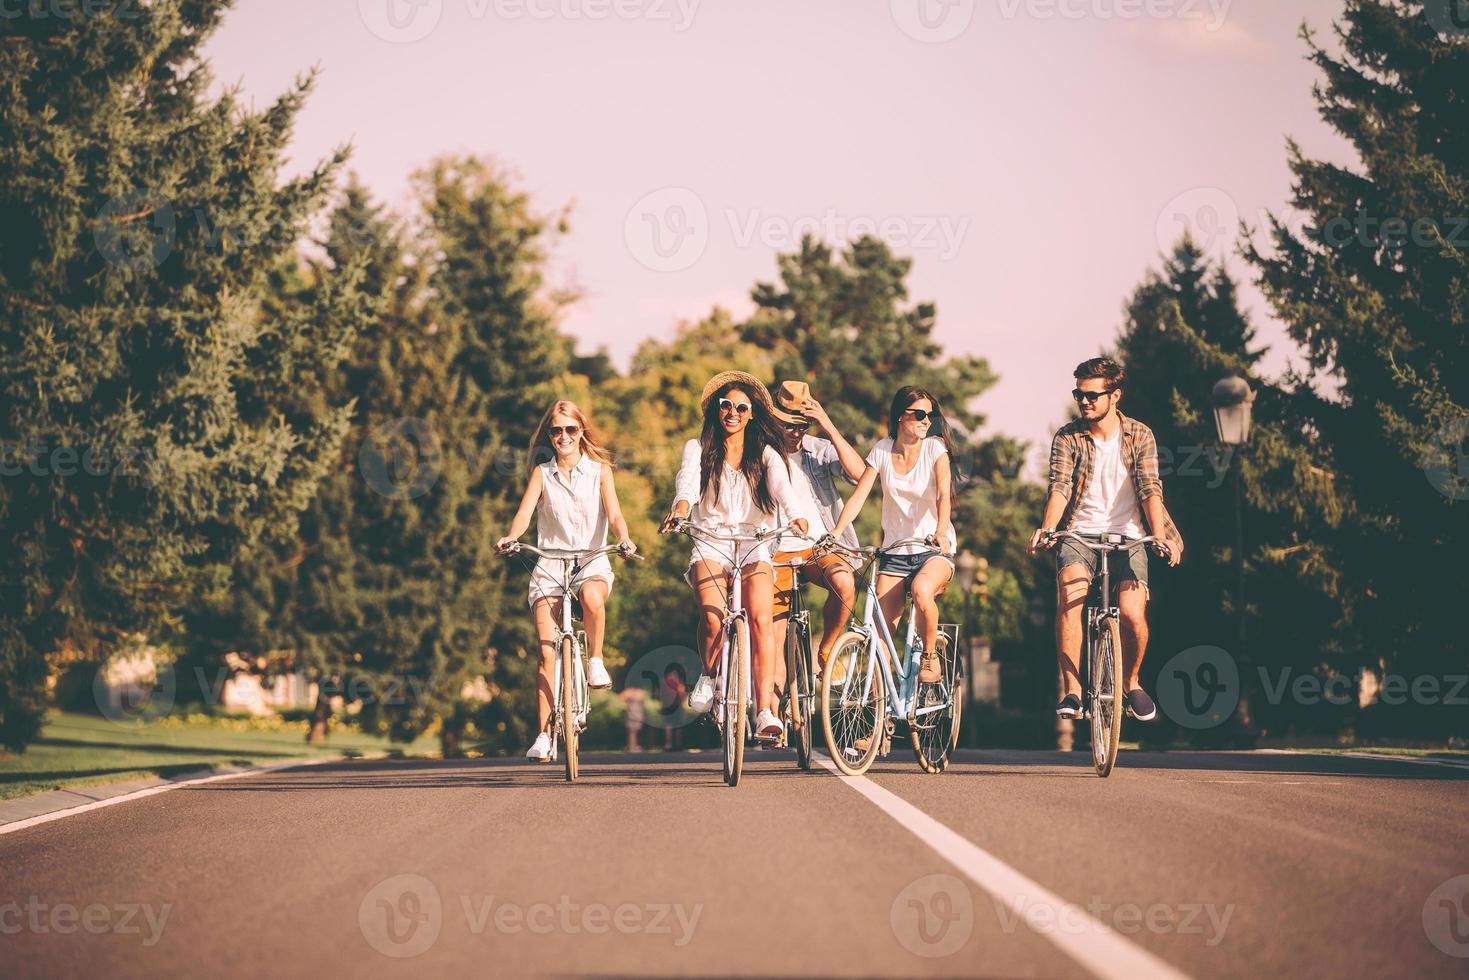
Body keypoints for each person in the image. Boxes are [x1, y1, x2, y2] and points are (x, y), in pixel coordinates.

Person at [1025, 357, 1184, 722]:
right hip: (1079, 532)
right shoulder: (1068, 437)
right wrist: (1048, 527)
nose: (1085, 402)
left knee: (1131, 612)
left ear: (1115, 396)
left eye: (1093, 395)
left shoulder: (1140, 435)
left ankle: (1131, 683)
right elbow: (1060, 487)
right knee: (1071, 597)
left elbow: (1150, 489)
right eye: (1079, 395)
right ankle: (1073, 691)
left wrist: (1159, 536)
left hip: (1129, 533)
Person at [658, 372, 808, 742]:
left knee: (759, 618)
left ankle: (764, 713)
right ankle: (710, 677)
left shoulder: (767, 454)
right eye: (727, 405)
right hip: (711, 540)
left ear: (752, 413)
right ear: (716, 409)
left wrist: (795, 516)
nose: (733, 412)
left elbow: (782, 488)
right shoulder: (698, 447)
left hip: (755, 541)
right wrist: (680, 509)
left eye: (742, 407)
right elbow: (687, 482)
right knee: (711, 617)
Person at [497, 399, 637, 762]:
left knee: (592, 597)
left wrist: (623, 538)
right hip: (550, 562)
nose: (564, 436)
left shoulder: (600, 471)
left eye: (570, 430)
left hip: (590, 559)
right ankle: (544, 735)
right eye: (557, 430)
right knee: (546, 652)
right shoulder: (542, 473)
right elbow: (524, 514)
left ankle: (595, 660)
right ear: (550, 434)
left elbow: (616, 514)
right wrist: (511, 537)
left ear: (581, 431)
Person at [827, 386, 958, 688]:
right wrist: (836, 532)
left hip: (933, 549)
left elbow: (943, 493)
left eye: (931, 415)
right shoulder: (882, 450)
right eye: (920, 415)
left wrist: (941, 530)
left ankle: (929, 655)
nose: (927, 421)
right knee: (878, 636)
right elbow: (859, 496)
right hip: (895, 553)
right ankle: (879, 726)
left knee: (923, 591)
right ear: (901, 416)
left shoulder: (935, 449)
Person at [768, 381, 864, 679]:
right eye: (789, 425)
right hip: (775, 552)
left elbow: (860, 474)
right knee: (772, 642)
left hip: (818, 547)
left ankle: (827, 649)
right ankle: (776, 719)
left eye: (803, 425)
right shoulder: (760, 454)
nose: (796, 432)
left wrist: (829, 427)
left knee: (845, 582)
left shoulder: (818, 450)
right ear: (774, 419)